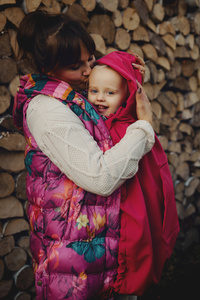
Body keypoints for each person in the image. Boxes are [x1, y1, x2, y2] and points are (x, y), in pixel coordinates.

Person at [13, 11, 155, 300]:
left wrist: (133, 74)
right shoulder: (48, 111)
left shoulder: (71, 94)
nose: (89, 70)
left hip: (90, 246)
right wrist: (144, 129)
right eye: (77, 66)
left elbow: (111, 93)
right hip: (70, 258)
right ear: (49, 68)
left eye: (89, 58)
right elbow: (101, 178)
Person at [88, 51, 180, 299]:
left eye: (110, 92)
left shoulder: (130, 129)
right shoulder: (92, 122)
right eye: (93, 90)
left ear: (127, 95)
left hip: (126, 211)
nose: (99, 98)